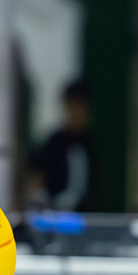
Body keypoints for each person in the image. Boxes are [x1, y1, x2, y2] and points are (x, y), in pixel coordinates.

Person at [27, 80, 93, 212]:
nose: (77, 113)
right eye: (73, 106)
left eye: (81, 108)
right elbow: (36, 180)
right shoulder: (53, 143)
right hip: (54, 217)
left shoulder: (90, 145)